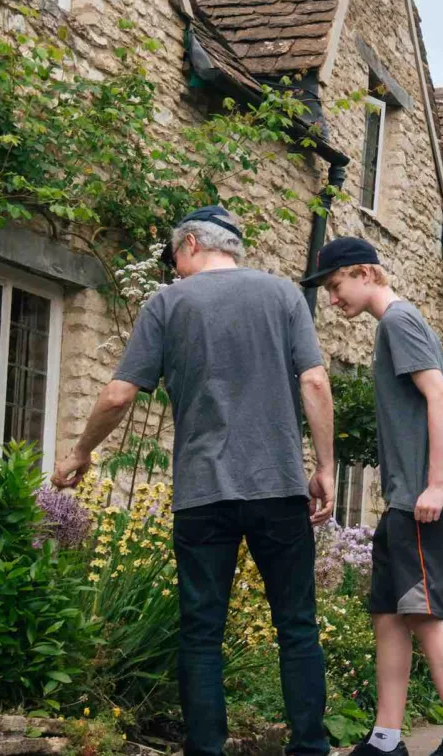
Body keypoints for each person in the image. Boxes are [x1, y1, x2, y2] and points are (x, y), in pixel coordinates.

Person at [53, 206, 335, 756]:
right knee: (297, 626)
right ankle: (309, 747)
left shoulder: (167, 303)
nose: (173, 269)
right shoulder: (283, 296)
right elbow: (317, 384)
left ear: (188, 244)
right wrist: (322, 468)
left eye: (173, 258)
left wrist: (81, 453)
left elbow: (118, 394)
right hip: (277, 486)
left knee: (202, 633)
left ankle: (205, 750)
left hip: (204, 492)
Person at [302, 238, 443, 756]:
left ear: (364, 272)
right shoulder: (395, 325)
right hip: (406, 498)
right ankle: (386, 739)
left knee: (425, 611)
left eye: (337, 286)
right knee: (388, 610)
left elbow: (442, 397)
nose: (334, 299)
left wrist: (433, 484)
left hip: (424, 498)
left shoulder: (399, 321)